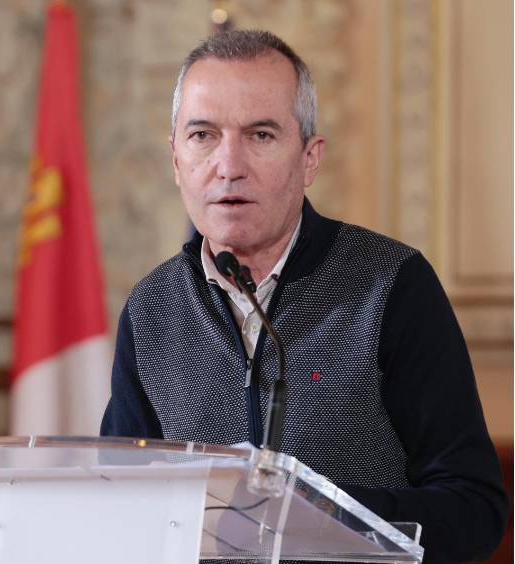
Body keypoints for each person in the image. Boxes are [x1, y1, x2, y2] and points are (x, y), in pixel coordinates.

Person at [100, 30, 507, 561]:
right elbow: (115, 505)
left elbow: (474, 511)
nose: (229, 165)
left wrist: (307, 515)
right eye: (202, 135)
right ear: (176, 160)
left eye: (261, 135)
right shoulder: (152, 310)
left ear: (309, 159)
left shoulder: (391, 285)